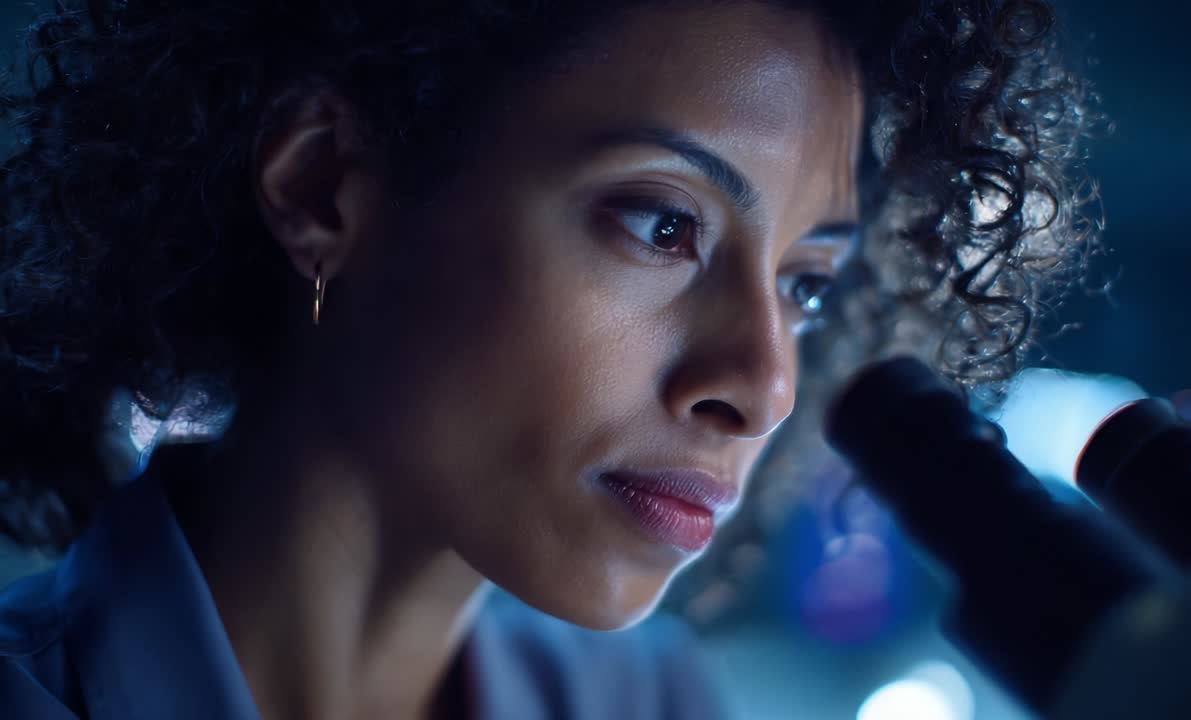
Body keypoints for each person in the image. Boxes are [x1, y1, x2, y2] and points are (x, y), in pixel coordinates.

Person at [0, 1, 1097, 718]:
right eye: (663, 225)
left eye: (802, 285)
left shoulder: (651, 707)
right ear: (322, 185)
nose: (762, 386)